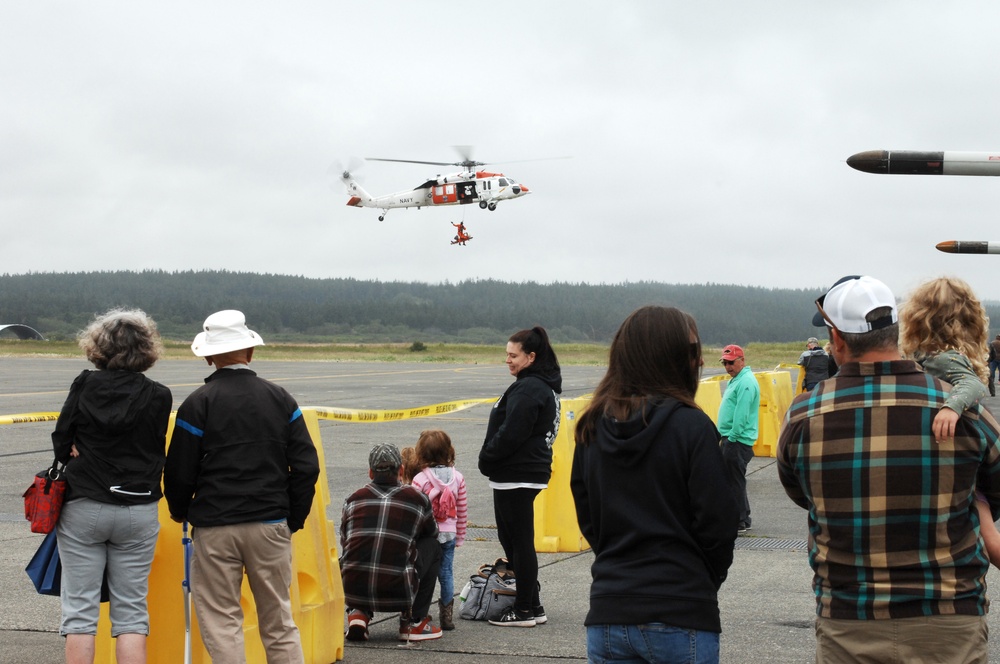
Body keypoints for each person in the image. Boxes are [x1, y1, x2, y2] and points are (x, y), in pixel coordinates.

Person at [778, 275, 1000, 663]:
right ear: (895, 331)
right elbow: (996, 486)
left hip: (850, 620)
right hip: (950, 621)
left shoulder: (803, 415)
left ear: (838, 340)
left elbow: (801, 494)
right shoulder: (960, 406)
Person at [571, 306, 738, 664]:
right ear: (675, 358)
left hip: (609, 611)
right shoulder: (692, 427)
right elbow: (719, 523)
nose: (702, 360)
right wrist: (701, 581)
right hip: (682, 608)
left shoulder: (592, 426)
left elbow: (588, 518)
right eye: (694, 351)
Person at [163, 310, 320, 664]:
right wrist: (292, 517)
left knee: (222, 621)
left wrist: (183, 511)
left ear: (207, 355)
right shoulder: (281, 399)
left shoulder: (196, 404)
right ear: (250, 352)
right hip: (270, 523)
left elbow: (179, 472)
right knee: (279, 621)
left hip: (215, 526)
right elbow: (307, 466)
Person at [53, 309, 172, 664]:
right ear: (147, 349)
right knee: (132, 611)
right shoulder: (159, 394)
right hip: (138, 507)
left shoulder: (85, 384)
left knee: (79, 610)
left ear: (97, 347)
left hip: (84, 502)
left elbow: (61, 439)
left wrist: (74, 450)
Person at [899, 276, 1000, 565]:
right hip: (958, 456)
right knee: (988, 536)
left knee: (990, 539)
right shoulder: (936, 355)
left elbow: (972, 385)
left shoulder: (942, 358)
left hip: (949, 445)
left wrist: (951, 408)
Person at [479, 326, 562, 627]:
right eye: (506, 355)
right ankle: (533, 605)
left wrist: (487, 457)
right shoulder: (537, 385)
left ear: (531, 357)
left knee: (519, 541)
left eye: (513, 355)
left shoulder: (530, 389)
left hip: (518, 473)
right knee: (512, 539)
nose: (508, 360)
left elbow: (513, 432)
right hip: (521, 473)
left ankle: (524, 609)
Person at [340, 443, 443, 642]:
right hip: (397, 591)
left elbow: (346, 542)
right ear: (401, 470)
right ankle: (413, 622)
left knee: (359, 550)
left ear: (370, 472)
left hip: (353, 589)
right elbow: (432, 532)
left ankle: (358, 611)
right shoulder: (418, 499)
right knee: (433, 546)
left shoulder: (353, 499)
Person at [410, 430, 468, 631]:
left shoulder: (419, 479)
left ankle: (421, 610)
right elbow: (462, 509)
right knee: (446, 573)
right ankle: (446, 616)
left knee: (423, 574)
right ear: (448, 451)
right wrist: (460, 535)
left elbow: (414, 509)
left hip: (427, 535)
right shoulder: (458, 478)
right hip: (449, 534)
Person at [717, 344, 760, 536]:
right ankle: (741, 517)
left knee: (734, 480)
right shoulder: (737, 380)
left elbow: (741, 415)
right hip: (731, 438)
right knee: (733, 479)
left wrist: (732, 438)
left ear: (742, 361)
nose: (728, 367)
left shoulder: (746, 382)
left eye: (731, 363)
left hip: (737, 440)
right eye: (725, 363)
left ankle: (740, 520)